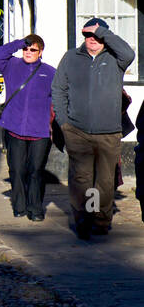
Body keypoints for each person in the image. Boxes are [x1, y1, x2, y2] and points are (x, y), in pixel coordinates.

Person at [53, 17, 136, 239]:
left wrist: (102, 31)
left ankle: (101, 219)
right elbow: (58, 89)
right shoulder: (71, 58)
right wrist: (64, 123)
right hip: (77, 131)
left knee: (105, 181)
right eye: (89, 35)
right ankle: (84, 220)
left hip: (109, 133)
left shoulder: (116, 58)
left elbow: (129, 54)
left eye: (97, 36)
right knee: (82, 179)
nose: (93, 39)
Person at [0, 34, 57, 220]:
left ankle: (35, 209)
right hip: (14, 127)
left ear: (41, 52)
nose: (28, 52)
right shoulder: (11, 66)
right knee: (17, 169)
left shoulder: (50, 72)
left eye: (33, 49)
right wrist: (20, 42)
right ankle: (20, 206)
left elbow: (60, 97)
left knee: (36, 171)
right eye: (26, 49)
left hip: (40, 130)